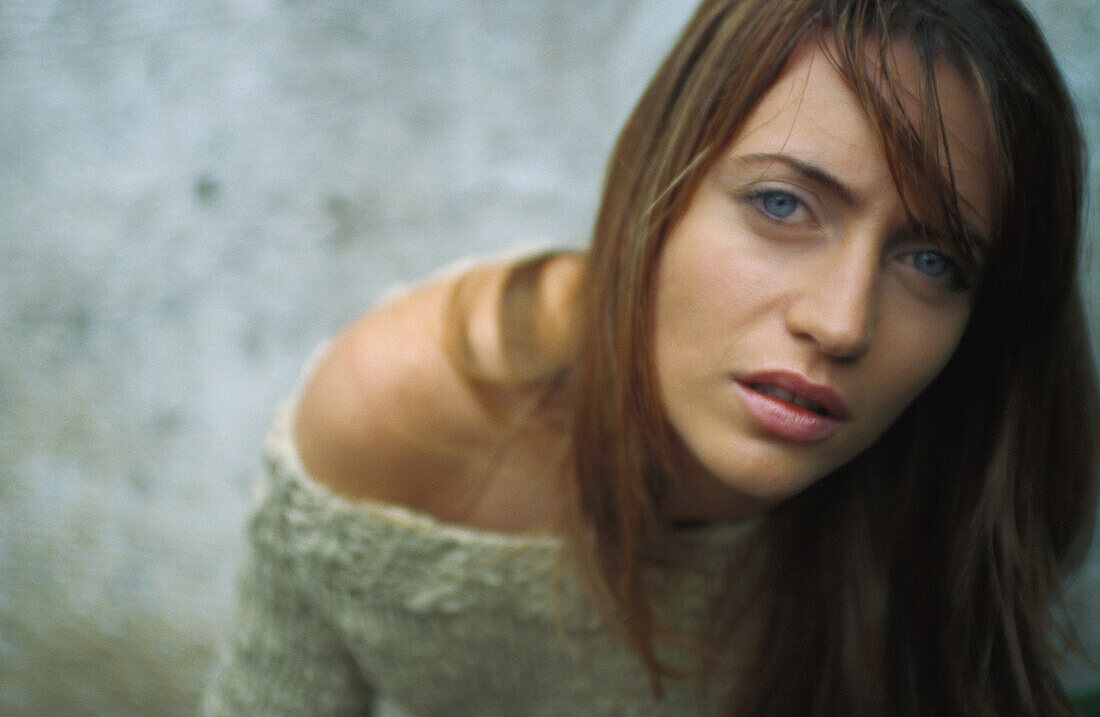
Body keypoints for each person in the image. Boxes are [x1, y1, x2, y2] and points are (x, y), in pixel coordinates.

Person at [203, 0, 1099, 713]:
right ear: (658, 186)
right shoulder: (405, 407)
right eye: (784, 205)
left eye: (931, 261)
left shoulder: (982, 469)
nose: (841, 322)